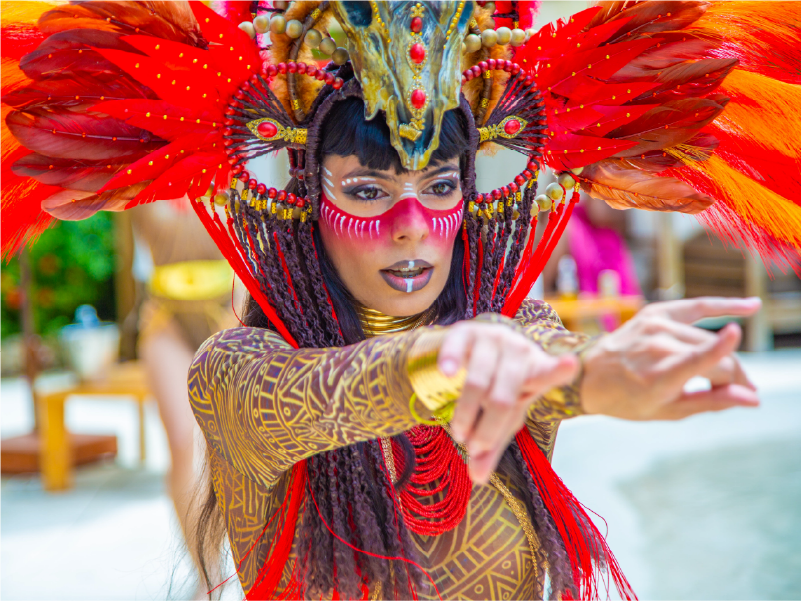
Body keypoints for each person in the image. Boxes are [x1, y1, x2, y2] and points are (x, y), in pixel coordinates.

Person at [1, 0, 798, 600]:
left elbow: (542, 357)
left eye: (439, 185)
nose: (412, 230)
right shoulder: (237, 375)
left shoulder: (523, 336)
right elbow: (339, 390)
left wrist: (584, 377)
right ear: (311, 199)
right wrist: (476, 359)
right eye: (368, 188)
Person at [130, 202, 237, 598]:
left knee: (228, 451)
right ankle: (206, 572)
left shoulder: (221, 154)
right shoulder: (138, 168)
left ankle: (247, 559)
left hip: (228, 308)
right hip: (166, 316)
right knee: (180, 444)